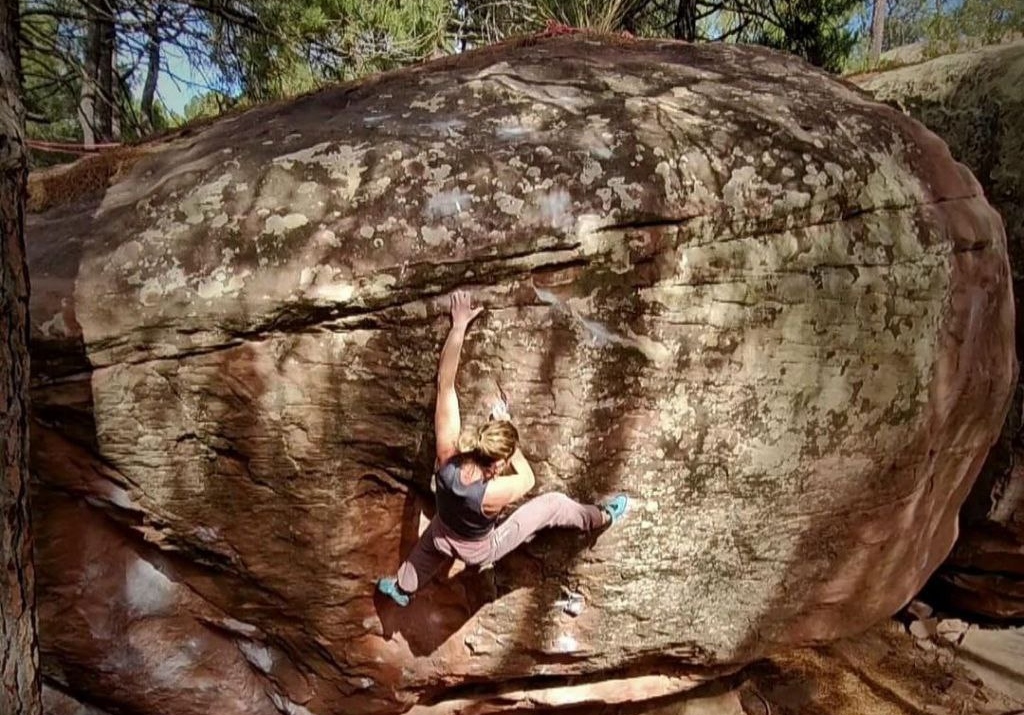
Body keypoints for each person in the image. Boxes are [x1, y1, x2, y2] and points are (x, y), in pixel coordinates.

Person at [376, 290, 629, 607]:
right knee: (552, 505)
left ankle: (402, 588)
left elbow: (446, 383)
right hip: (478, 548)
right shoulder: (491, 494)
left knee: (430, 546)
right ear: (497, 465)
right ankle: (601, 517)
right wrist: (515, 445)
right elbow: (528, 479)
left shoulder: (446, 455)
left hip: (444, 529)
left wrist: (459, 326)